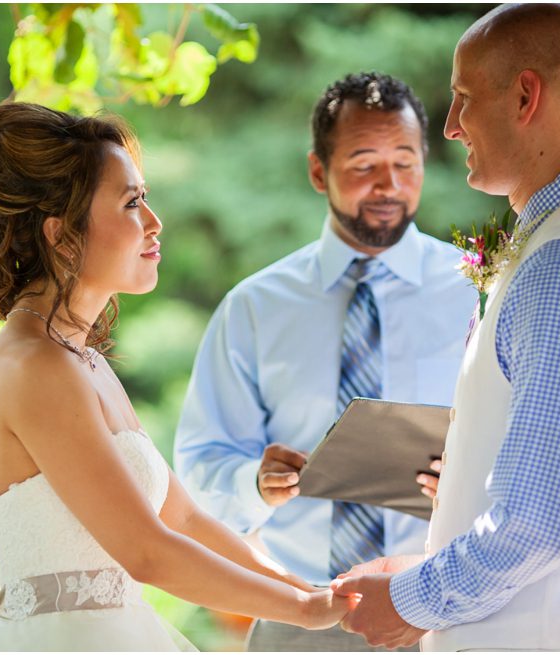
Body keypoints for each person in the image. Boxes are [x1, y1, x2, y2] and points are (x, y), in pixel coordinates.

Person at [332, 4, 560, 652]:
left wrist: (413, 600)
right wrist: (442, 538)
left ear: (526, 96)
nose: (450, 125)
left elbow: (544, 519)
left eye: (464, 98)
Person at [0, 102, 350, 652]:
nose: (155, 223)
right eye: (131, 202)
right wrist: (303, 612)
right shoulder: (31, 362)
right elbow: (146, 551)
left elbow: (183, 518)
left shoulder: (81, 359)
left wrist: (309, 592)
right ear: (61, 235)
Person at [174, 72, 477, 651]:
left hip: (441, 610)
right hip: (296, 612)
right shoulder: (255, 308)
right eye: (364, 164)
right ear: (318, 171)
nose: (389, 185)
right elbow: (198, 471)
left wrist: (471, 476)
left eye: (405, 163)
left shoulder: (478, 292)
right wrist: (253, 485)